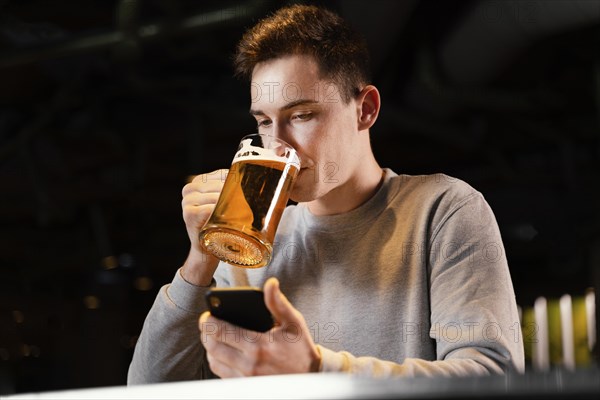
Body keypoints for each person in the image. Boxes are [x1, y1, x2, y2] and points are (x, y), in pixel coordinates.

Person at [127, 3, 524, 382]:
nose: (278, 145)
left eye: (301, 115)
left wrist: (316, 369)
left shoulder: (442, 210)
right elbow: (150, 390)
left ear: (365, 109)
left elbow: (491, 379)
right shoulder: (248, 242)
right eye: (265, 122)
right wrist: (200, 260)